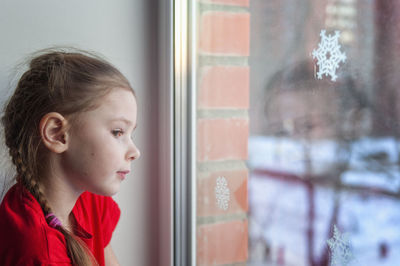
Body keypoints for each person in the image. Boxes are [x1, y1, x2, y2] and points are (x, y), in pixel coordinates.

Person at [0, 48, 141, 265]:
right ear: (57, 133)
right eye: (118, 132)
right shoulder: (37, 251)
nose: (135, 152)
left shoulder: (89, 197)